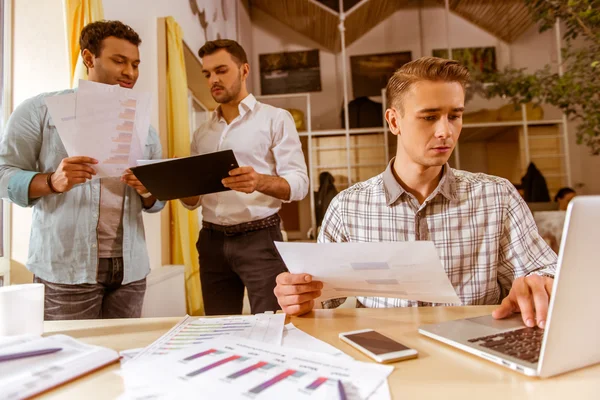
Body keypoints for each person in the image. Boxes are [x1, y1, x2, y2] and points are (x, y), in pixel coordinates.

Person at [274, 57, 557, 330]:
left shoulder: (497, 197)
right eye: (430, 117)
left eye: (454, 116)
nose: (445, 131)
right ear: (394, 121)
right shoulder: (348, 207)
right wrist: (297, 296)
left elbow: (546, 271)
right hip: (384, 355)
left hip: (476, 353)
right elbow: (321, 299)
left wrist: (542, 281)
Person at [0, 20, 164, 320]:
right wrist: (52, 181)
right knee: (71, 362)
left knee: (123, 360)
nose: (130, 72)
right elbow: (3, 175)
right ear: (89, 58)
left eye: (136, 64)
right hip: (66, 270)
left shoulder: (146, 129)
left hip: (131, 270)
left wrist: (148, 190)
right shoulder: (39, 110)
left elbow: (156, 203)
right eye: (120, 61)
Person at [180, 39, 309, 315]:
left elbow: (299, 184)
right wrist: (179, 187)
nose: (213, 79)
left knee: (272, 325)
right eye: (207, 74)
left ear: (244, 70)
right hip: (211, 242)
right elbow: (192, 202)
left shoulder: (275, 119)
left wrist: (259, 181)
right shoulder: (202, 133)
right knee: (219, 328)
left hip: (260, 239)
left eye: (221, 70)